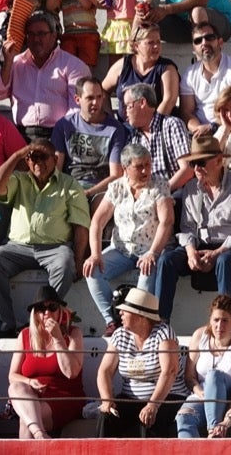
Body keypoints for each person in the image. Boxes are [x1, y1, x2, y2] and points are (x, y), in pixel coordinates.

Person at [0, 141, 91, 337]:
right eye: (33, 157)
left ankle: (40, 322)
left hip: (55, 248)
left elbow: (81, 226)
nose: (38, 162)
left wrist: (78, 259)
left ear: (56, 159)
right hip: (17, 247)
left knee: (66, 263)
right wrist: (18, 155)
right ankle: (7, 326)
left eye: (43, 157)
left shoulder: (69, 184)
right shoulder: (19, 179)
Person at [154, 135, 231, 323]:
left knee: (225, 261)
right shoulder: (191, 188)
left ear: (218, 161)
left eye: (201, 162)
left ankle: (228, 322)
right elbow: (187, 227)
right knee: (167, 260)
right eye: (193, 164)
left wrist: (217, 252)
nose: (196, 168)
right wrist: (191, 252)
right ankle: (161, 322)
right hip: (201, 245)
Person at [82, 143, 174, 333]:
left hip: (150, 249)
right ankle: (113, 319)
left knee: (143, 286)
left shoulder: (160, 184)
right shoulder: (117, 187)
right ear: (125, 168)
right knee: (92, 270)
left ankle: (135, 326)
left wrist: (152, 253)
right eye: (139, 166)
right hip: (121, 249)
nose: (145, 170)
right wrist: (95, 254)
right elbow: (97, 222)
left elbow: (166, 222)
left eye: (148, 165)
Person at [95, 288, 187, 437]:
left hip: (166, 398)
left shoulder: (163, 332)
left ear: (140, 317)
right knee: (107, 417)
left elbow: (170, 371)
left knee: (149, 419)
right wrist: (107, 400)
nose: (120, 314)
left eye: (125, 310)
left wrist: (153, 404)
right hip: (131, 398)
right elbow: (104, 371)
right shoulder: (120, 334)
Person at [0, 10, 91, 142]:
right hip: (21, 135)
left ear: (54, 35)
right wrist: (7, 62)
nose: (36, 39)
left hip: (58, 135)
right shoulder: (16, 63)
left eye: (41, 34)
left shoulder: (72, 65)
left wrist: (59, 140)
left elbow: (76, 110)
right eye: (31, 34)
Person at [4, 285, 85, 439]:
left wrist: (58, 338)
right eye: (41, 308)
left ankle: (39, 435)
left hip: (65, 397)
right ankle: (41, 436)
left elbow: (71, 373)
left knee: (27, 420)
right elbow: (12, 376)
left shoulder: (73, 334)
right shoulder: (25, 335)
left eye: (52, 307)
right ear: (35, 314)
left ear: (60, 311)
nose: (46, 313)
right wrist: (30, 381)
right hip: (33, 396)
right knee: (16, 387)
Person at [176, 295, 231, 438]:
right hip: (202, 396)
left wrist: (228, 419)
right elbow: (189, 378)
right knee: (184, 418)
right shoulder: (200, 336)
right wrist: (203, 394)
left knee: (214, 375)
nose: (220, 326)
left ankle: (213, 432)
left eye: (225, 320)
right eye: (216, 320)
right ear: (210, 320)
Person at [52, 77, 126, 206]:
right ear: (77, 99)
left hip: (100, 189)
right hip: (70, 185)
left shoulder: (115, 129)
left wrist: (89, 192)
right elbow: (56, 168)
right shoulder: (64, 125)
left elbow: (116, 175)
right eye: (90, 98)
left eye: (99, 97)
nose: (95, 102)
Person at [180, 22, 231, 137]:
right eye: (198, 41)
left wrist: (212, 128)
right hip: (201, 136)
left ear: (220, 42)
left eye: (209, 37)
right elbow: (186, 112)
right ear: (194, 48)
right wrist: (198, 129)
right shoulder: (189, 74)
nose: (204, 43)